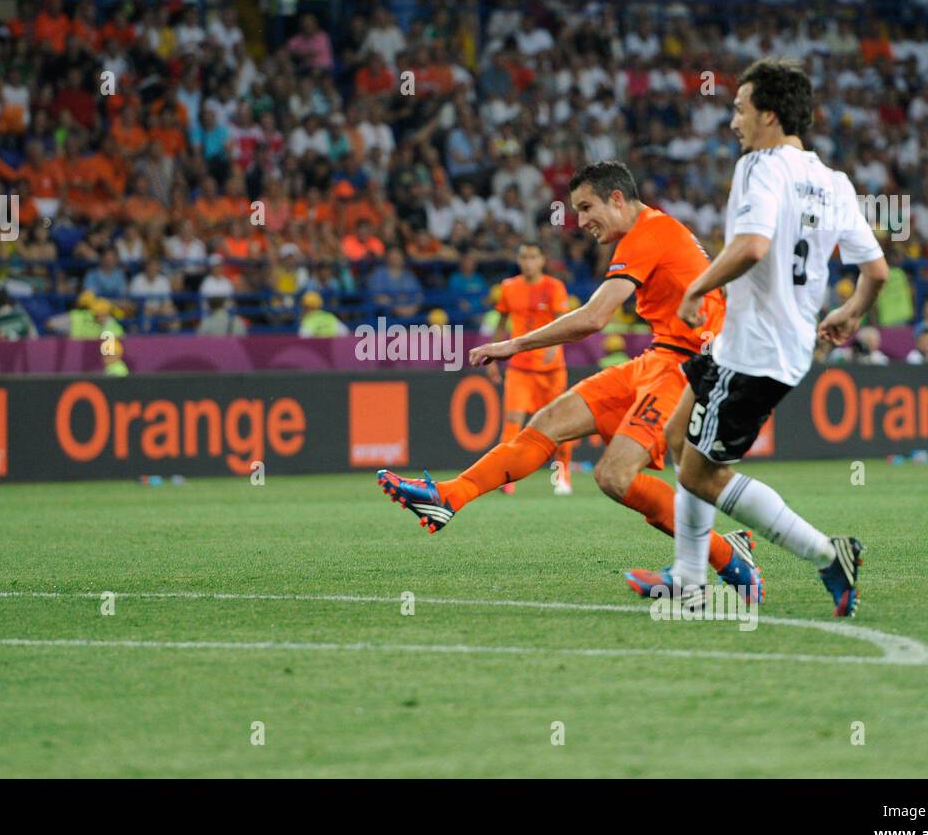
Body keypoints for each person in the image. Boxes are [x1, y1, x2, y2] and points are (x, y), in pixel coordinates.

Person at [376, 160, 761, 601]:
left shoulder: (647, 233)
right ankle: (450, 496)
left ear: (617, 198)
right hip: (658, 358)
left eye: (586, 207)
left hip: (687, 370)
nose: (581, 222)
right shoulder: (647, 233)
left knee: (615, 476)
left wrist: (513, 344)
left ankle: (729, 557)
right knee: (547, 423)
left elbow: (594, 318)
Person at [648, 58, 888, 618]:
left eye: (740, 109)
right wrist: (851, 311)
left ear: (769, 116)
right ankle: (687, 580)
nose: (733, 121)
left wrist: (696, 290)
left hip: (755, 349)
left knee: (699, 473)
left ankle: (829, 555)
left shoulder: (761, 166)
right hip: (768, 344)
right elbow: (874, 270)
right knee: (679, 437)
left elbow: (752, 246)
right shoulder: (835, 182)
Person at [488, 241, 574, 495]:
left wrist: (554, 347)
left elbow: (564, 322)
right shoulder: (508, 287)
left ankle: (562, 474)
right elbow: (502, 323)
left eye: (532, 257)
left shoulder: (554, 286)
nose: (528, 262)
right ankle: (506, 478)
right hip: (520, 367)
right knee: (513, 422)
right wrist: (493, 356)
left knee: (560, 423)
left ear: (542, 260)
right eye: (523, 257)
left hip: (551, 369)